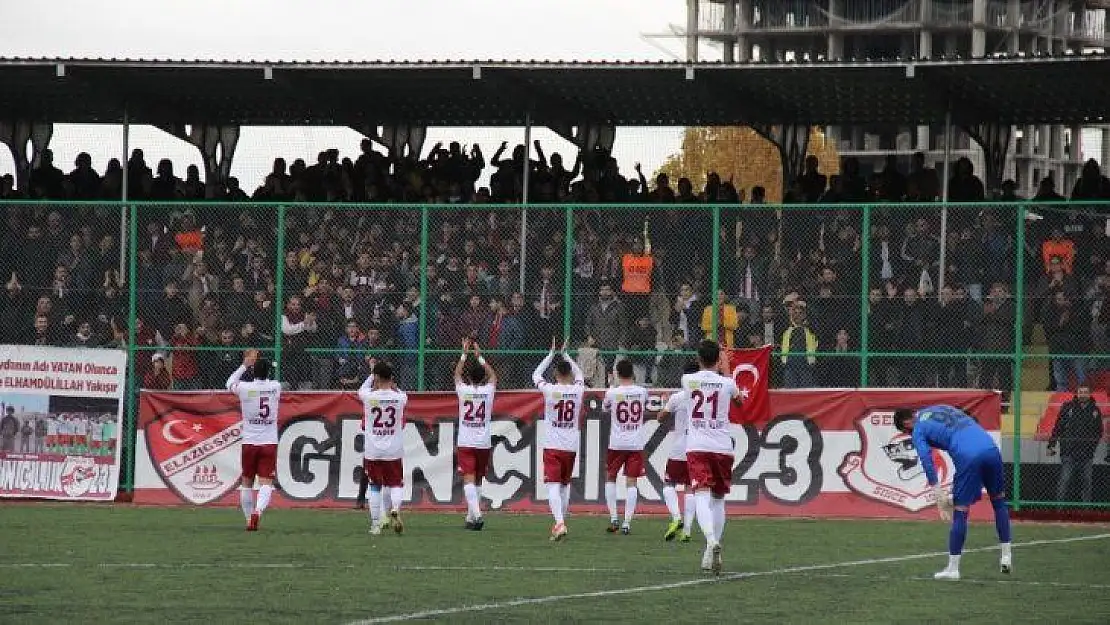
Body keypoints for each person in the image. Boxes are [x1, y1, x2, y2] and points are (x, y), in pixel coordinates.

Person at [893, 405, 1012, 580]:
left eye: (906, 432)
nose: (909, 434)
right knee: (999, 502)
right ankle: (1006, 556)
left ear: (906, 423)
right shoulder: (940, 408)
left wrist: (937, 492)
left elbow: (926, 459)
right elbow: (969, 419)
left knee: (960, 511)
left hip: (968, 455)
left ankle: (953, 568)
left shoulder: (918, 428)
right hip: (990, 448)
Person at [683, 339, 742, 575]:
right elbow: (740, 402)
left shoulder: (688, 380)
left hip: (697, 445)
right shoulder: (727, 383)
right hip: (722, 446)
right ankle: (711, 548)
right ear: (718, 359)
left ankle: (710, 540)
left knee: (700, 494)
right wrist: (726, 370)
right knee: (718, 499)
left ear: (698, 359)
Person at [532, 337, 585, 542]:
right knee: (564, 485)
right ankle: (561, 522)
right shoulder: (578, 390)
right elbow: (580, 374)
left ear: (555, 374)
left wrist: (550, 355)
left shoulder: (550, 389)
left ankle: (560, 523)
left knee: (553, 485)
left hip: (553, 444)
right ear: (570, 374)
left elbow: (536, 375)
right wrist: (566, 355)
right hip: (571, 445)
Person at [226, 349, 282, 532]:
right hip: (269, 442)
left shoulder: (245, 388)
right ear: (268, 372)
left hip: (249, 442)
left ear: (253, 371)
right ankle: (258, 512)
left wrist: (244, 365)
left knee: (247, 482)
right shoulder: (275, 387)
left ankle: (249, 518)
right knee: (266, 482)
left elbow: (229, 383)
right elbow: (269, 381)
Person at [359, 361, 408, 536]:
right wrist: (392, 384)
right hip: (393, 450)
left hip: (373, 450)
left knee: (374, 486)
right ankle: (394, 508)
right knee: (395, 484)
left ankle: (375, 525)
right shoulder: (400, 397)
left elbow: (362, 388)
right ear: (392, 378)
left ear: (377, 378)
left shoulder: (368, 396)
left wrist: (372, 373)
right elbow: (400, 392)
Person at [453, 339, 498, 530]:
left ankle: (477, 515)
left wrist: (464, 354)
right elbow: (493, 376)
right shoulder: (488, 391)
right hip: (483, 442)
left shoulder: (463, 390)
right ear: (483, 378)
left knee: (469, 478)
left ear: (469, 378)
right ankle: (471, 518)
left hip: (466, 441)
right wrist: (480, 357)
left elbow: (456, 375)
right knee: (478, 479)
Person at [601, 359, 649, 535]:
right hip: (635, 443)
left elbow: (605, 408)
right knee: (632, 482)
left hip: (617, 442)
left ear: (617, 374)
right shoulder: (642, 392)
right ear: (633, 373)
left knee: (610, 477)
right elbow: (645, 404)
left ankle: (614, 518)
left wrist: (612, 386)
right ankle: (627, 523)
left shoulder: (612, 393)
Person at [656, 361, 701, 543]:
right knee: (691, 487)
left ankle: (676, 518)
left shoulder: (678, 397)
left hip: (680, 447)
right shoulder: (704, 396)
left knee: (668, 484)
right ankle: (687, 531)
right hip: (697, 447)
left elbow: (660, 418)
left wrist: (666, 404)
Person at [1047, 385, 1103, 503]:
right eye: (1080, 392)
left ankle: (1086, 509)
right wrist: (1051, 445)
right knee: (1064, 480)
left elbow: (1099, 431)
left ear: (1089, 394)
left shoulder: (1095, 410)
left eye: (1085, 392)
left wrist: (1092, 447)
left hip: (1087, 453)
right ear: (1077, 394)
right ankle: (1059, 508)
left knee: (1087, 482)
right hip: (1068, 452)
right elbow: (1058, 427)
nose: (1083, 394)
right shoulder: (1068, 407)